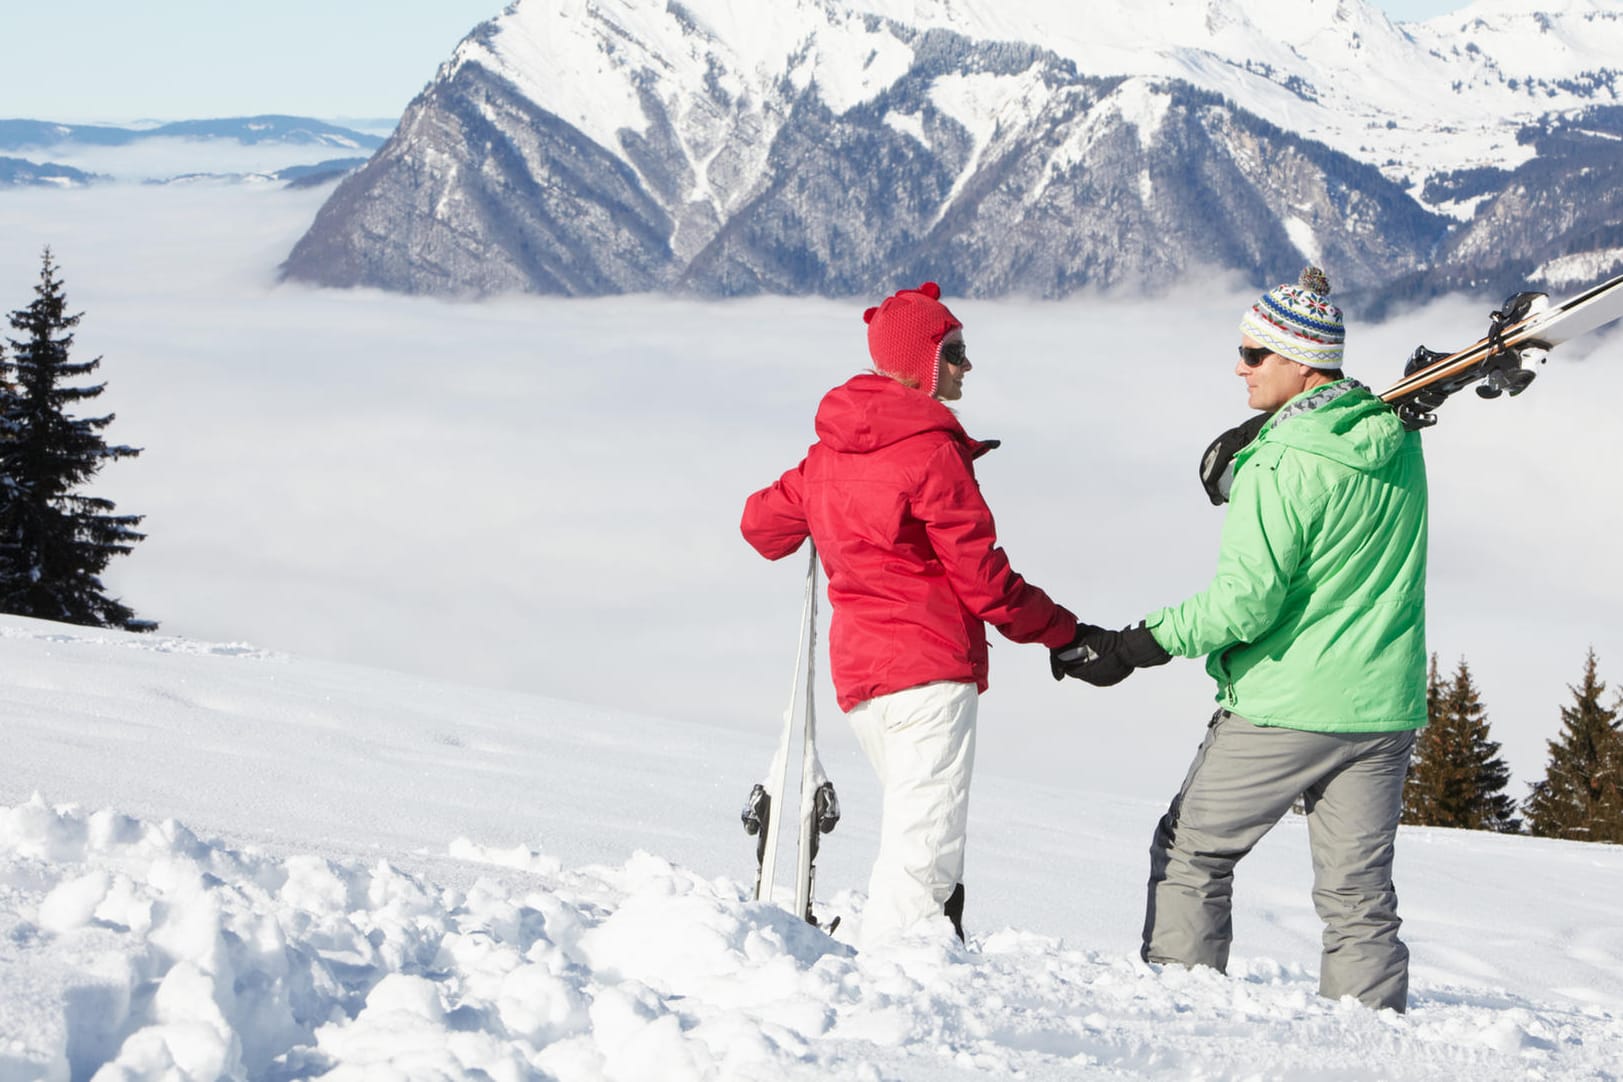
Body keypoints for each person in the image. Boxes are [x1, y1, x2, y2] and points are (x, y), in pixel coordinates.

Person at [1054, 266, 1428, 1012]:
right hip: (1383, 705)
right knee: (1356, 892)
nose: (1239, 367)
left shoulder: (1281, 462)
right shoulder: (1391, 438)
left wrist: (1129, 647)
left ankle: (1185, 1016)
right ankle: (1374, 1042)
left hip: (1287, 703)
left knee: (1192, 852)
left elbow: (1244, 603)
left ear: (1297, 362)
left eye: (1254, 354)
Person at [741, 282, 1085, 947]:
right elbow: (985, 583)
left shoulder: (827, 454)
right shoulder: (931, 451)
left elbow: (760, 527)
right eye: (952, 352)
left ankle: (926, 954)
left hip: (862, 682)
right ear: (918, 361)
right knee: (920, 851)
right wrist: (1065, 633)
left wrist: (823, 509)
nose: (966, 366)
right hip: (930, 672)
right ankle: (901, 978)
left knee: (920, 828)